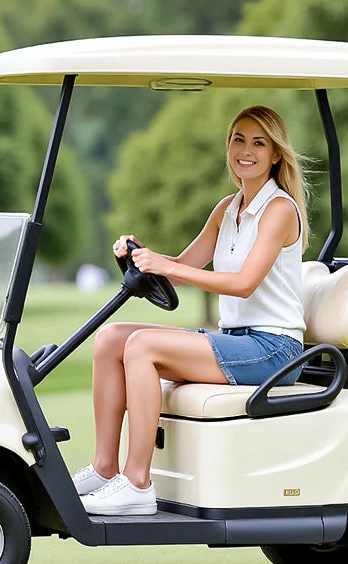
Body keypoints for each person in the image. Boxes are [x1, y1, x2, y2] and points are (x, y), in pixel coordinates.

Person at [73, 105, 314, 515]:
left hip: (275, 350)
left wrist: (166, 266)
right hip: (238, 342)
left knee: (143, 346)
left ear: (275, 154)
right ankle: (105, 466)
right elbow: (182, 272)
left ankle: (136, 483)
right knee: (112, 339)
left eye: (259, 143)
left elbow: (243, 283)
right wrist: (142, 256)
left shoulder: (280, 210)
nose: (246, 150)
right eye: (239, 139)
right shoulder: (227, 209)